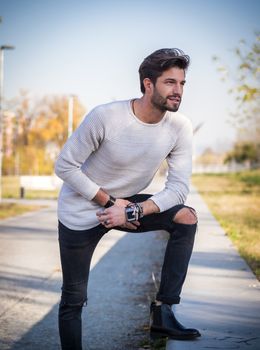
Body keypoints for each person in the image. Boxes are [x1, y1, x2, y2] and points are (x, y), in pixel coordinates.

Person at [55, 48, 201, 350]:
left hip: (126, 203)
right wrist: (111, 204)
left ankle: (164, 311)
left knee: (185, 216)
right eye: (170, 83)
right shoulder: (106, 117)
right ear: (148, 84)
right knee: (73, 297)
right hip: (81, 209)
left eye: (182, 83)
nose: (178, 91)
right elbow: (64, 166)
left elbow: (177, 189)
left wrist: (132, 210)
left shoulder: (179, 127)